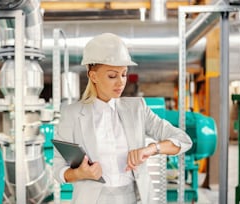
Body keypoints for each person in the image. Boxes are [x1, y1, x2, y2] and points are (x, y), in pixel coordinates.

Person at [53, 33, 193, 204]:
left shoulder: (137, 108)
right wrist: (80, 174)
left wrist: (150, 149)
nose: (121, 82)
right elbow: (58, 170)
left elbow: (184, 140)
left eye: (124, 74)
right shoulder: (72, 114)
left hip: (133, 198)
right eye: (112, 76)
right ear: (93, 76)